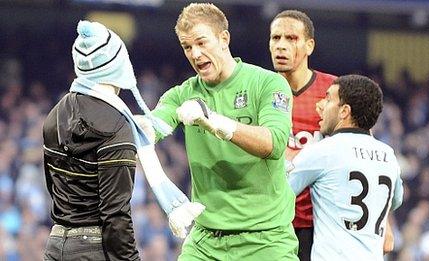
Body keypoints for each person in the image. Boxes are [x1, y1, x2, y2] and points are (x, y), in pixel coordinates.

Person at [145, 3, 298, 260]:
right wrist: (140, 127)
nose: (195, 54)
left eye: (201, 43)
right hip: (206, 241)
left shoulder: (267, 83)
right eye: (187, 47)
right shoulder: (182, 94)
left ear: (223, 38)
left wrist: (214, 121)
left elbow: (274, 143)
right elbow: (152, 128)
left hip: (265, 239)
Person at [42, 20, 202, 261]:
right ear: (117, 67)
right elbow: (115, 215)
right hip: (95, 250)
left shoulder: (55, 114)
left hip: (55, 245)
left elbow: (52, 188)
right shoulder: (117, 125)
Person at [288, 75, 404, 260]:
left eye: (328, 99)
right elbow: (396, 200)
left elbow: (282, 187)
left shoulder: (323, 151)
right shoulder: (388, 155)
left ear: (344, 111)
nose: (321, 106)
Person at [269, 10, 336, 260]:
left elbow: (361, 150)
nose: (281, 46)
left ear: (309, 45)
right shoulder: (259, 89)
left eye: (291, 38)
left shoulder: (334, 91)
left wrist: (386, 223)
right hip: (271, 221)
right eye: (276, 38)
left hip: (321, 224)